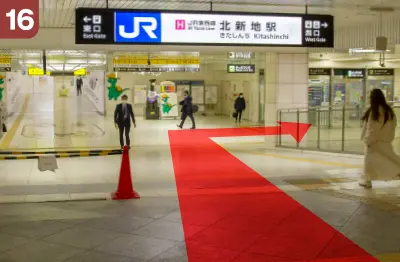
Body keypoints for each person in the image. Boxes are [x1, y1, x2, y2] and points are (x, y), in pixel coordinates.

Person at [360, 88, 400, 188]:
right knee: (390, 158)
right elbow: (393, 126)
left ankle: (367, 180)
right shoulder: (388, 110)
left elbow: (373, 128)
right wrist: (390, 137)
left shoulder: (376, 111)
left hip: (375, 141)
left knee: (369, 160)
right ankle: (367, 179)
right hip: (385, 140)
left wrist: (369, 140)